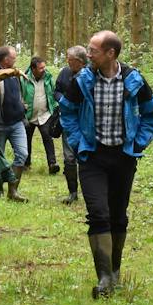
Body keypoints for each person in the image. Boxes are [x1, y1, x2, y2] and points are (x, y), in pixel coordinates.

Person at [58, 30, 153, 299]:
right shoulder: (82, 80)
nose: (88, 53)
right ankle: (104, 278)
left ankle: (115, 271)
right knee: (98, 213)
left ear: (110, 54)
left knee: (118, 214)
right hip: (92, 157)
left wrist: (138, 145)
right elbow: (67, 111)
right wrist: (79, 142)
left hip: (123, 158)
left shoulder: (134, 80)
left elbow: (152, 114)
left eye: (93, 50)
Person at [0, 45, 30, 202]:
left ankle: (13, 191)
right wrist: (13, 72)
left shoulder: (15, 73)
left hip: (17, 122)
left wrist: (22, 105)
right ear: (5, 59)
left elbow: (17, 93)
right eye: (14, 57)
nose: (15, 60)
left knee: (22, 154)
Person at [52, 46, 87, 204]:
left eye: (70, 59)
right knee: (69, 158)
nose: (68, 61)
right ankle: (72, 193)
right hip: (67, 121)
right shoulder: (65, 72)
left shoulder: (90, 75)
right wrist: (63, 100)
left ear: (80, 61)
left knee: (86, 157)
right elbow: (56, 91)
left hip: (86, 123)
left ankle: (89, 191)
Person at [22, 55, 60, 176]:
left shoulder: (48, 77)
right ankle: (26, 164)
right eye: (40, 68)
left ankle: (52, 164)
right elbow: (20, 94)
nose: (44, 69)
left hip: (45, 114)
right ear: (33, 69)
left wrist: (54, 107)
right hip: (29, 115)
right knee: (26, 139)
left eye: (44, 67)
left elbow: (52, 92)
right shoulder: (24, 78)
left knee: (47, 137)